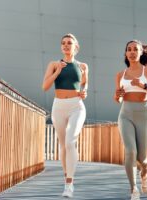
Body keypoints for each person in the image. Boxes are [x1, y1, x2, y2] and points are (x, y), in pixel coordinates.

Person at [113, 40, 147, 200]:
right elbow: (117, 99)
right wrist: (118, 96)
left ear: (141, 52)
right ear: (126, 54)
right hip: (125, 114)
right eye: (129, 49)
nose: (132, 52)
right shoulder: (120, 75)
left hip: (142, 114)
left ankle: (145, 174)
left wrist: (144, 86)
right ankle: (133, 189)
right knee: (130, 152)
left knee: (142, 158)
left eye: (136, 49)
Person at [42, 33, 88, 198]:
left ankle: (70, 183)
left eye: (69, 43)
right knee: (63, 145)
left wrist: (84, 92)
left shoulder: (83, 66)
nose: (66, 45)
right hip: (59, 106)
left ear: (76, 47)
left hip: (76, 106)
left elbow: (84, 84)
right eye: (63, 43)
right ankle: (66, 177)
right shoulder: (54, 64)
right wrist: (57, 72)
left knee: (70, 141)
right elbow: (45, 86)